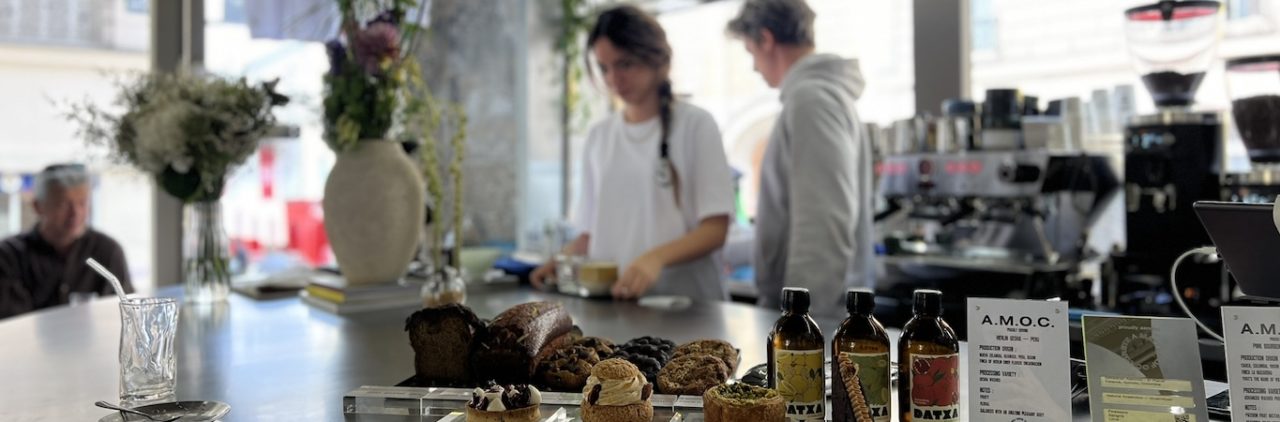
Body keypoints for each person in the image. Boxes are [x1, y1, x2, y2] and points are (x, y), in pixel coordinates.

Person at [531, 5, 735, 301]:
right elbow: (590, 233)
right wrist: (559, 261)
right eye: (604, 67)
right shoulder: (599, 137)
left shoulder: (696, 125)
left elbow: (715, 230)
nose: (614, 79)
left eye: (625, 64)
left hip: (689, 308)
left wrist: (655, 258)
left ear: (657, 59)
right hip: (622, 306)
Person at [727, 0, 875, 316]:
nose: (754, 66)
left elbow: (822, 224)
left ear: (766, 40)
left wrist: (799, 324)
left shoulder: (812, 100)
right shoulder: (819, 96)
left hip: (816, 321)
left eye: (751, 52)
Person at [0, 164, 133, 319]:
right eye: (63, 204)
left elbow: (123, 314)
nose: (75, 213)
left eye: (82, 203)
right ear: (38, 206)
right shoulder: (9, 255)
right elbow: (13, 323)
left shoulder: (107, 250)